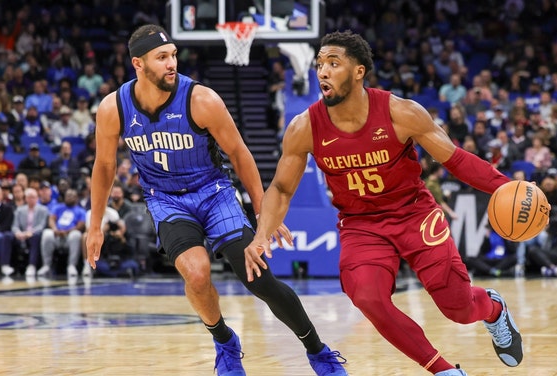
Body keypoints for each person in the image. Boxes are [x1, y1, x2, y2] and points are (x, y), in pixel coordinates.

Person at [244, 30, 524, 376]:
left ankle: (493, 309)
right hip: (362, 226)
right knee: (367, 296)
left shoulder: (401, 112)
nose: (323, 72)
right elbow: (283, 189)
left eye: (334, 63)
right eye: (320, 64)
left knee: (459, 309)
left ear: (359, 71)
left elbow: (454, 159)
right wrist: (261, 235)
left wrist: (507, 187)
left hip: (414, 214)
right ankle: (444, 371)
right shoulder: (305, 127)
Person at [85, 24, 347, 376]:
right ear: (138, 63)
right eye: (162, 57)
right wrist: (95, 225)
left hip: (214, 192)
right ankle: (225, 342)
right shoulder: (112, 108)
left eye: (174, 55)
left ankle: (318, 351)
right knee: (196, 273)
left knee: (258, 278)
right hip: (166, 199)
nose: (171, 63)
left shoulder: (201, 100)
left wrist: (262, 211)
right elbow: (104, 166)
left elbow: (239, 153)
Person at [11, 187, 49, 278]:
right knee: (9, 237)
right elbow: (14, 226)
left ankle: (32, 265)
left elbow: (42, 225)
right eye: (29, 197)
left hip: (35, 234)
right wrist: (18, 233)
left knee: (35, 238)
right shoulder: (19, 210)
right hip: (22, 234)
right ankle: (8, 266)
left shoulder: (43, 209)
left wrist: (31, 232)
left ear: (37, 198)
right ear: (26, 198)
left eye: (33, 197)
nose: (31, 199)